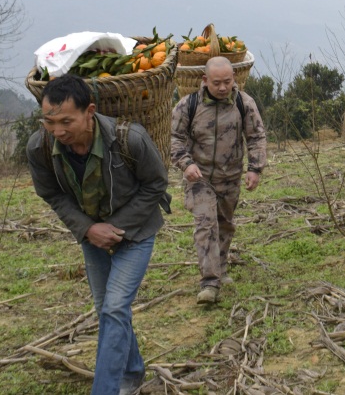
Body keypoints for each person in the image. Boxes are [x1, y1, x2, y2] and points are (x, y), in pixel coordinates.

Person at [27, 74, 170, 395]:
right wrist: (89, 228)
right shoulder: (40, 146)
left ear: (89, 111)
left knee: (115, 307)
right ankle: (132, 373)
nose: (58, 131)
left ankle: (105, 389)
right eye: (50, 122)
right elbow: (51, 194)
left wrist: (115, 227)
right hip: (91, 234)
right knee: (108, 307)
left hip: (136, 232)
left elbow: (156, 184)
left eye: (67, 121)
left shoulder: (129, 138)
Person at [170, 56, 267, 304]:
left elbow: (256, 136)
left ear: (234, 79)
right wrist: (186, 164)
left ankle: (221, 266)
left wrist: (255, 168)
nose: (223, 87)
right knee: (205, 224)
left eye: (227, 81)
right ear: (204, 81)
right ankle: (210, 282)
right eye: (217, 83)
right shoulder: (187, 105)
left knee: (224, 224)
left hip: (230, 177)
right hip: (199, 177)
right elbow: (175, 139)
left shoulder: (244, 103)